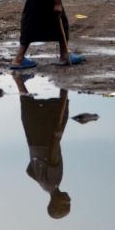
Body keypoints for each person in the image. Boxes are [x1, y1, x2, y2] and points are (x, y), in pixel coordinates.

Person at [13, 71, 71, 219]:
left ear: (55, 202)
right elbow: (29, 171)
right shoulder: (45, 186)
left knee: (60, 111)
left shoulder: (54, 182)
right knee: (30, 109)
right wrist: (36, 159)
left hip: (47, 140)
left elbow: (53, 159)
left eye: (65, 204)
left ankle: (64, 78)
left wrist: (57, 137)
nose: (69, 200)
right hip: (33, 142)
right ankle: (19, 81)